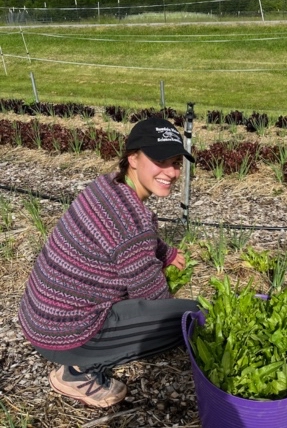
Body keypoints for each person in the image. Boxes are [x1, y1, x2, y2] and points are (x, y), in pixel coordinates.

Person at [18, 117, 199, 408]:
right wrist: (181, 316)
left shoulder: (107, 186)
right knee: (187, 318)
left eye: (176, 162)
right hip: (64, 333)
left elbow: (129, 242)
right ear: (133, 158)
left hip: (40, 315)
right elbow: (154, 300)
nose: (172, 172)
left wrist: (165, 253)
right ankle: (77, 373)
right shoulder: (133, 224)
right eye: (161, 160)